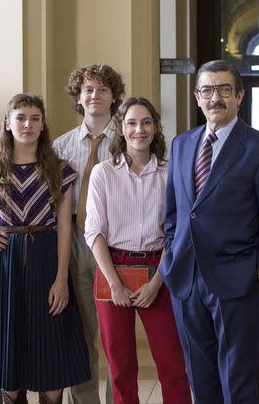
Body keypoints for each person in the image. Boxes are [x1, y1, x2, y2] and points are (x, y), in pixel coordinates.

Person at [161, 60, 259, 403]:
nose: (214, 98)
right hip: (187, 279)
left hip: (236, 278)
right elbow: (174, 213)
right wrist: (172, 253)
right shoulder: (182, 144)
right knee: (201, 379)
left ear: (239, 96)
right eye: (207, 90)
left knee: (238, 379)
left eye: (223, 90)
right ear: (197, 97)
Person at [0, 93, 90, 404]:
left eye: (35, 118)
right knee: (9, 346)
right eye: (21, 118)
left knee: (51, 346)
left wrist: (61, 279)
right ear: (8, 124)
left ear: (43, 125)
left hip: (47, 257)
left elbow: (65, 227)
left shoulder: (58, 168)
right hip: (6, 263)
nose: (28, 124)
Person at [85, 97, 191, 404]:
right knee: (121, 367)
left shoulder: (171, 174)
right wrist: (115, 284)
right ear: (120, 128)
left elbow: (178, 233)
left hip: (159, 269)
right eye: (131, 123)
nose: (139, 130)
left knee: (172, 365)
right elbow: (94, 232)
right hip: (112, 268)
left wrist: (157, 282)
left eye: (146, 122)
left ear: (156, 128)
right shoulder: (103, 173)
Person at [53, 63, 125, 404]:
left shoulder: (129, 138)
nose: (95, 95)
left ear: (114, 97)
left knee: (114, 334)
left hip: (116, 243)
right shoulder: (61, 146)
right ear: (78, 98)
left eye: (102, 90)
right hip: (75, 241)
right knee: (80, 334)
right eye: (88, 90)